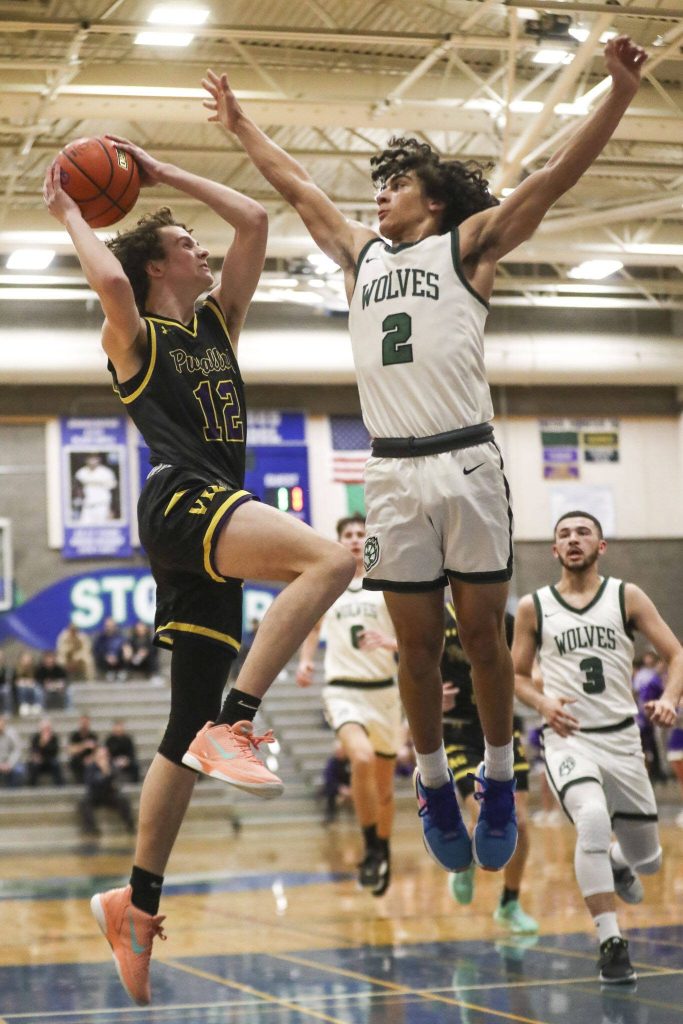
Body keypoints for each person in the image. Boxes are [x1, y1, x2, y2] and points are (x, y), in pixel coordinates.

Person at [205, 35, 647, 876]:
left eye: (398, 182)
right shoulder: (360, 256)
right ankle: (436, 782)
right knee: (412, 646)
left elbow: (552, 179)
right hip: (393, 470)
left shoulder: (467, 248)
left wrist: (618, 92)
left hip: (467, 461)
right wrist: (240, 126)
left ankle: (496, 775)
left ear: (435, 202)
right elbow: (296, 186)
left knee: (480, 639)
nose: (381, 193)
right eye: (379, 183)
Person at [44, 113, 353, 1008]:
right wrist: (75, 211)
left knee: (180, 730)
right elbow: (106, 273)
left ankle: (134, 903)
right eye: (185, 245)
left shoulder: (218, 325)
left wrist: (161, 172)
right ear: (154, 268)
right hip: (183, 499)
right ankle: (244, 718)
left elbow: (252, 221)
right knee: (329, 563)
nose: (202, 251)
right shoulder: (133, 337)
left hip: (208, 518)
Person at [512, 510, 683, 984]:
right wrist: (544, 703)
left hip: (623, 738)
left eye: (583, 532)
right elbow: (516, 676)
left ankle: (618, 862)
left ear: (600, 546)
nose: (573, 540)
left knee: (648, 859)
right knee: (590, 819)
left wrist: (670, 698)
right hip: (570, 737)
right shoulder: (534, 606)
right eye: (563, 534)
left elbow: (676, 653)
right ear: (553, 549)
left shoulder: (626, 596)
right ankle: (611, 942)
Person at [297, 514, 400, 896]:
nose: (355, 540)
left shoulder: (387, 587)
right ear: (339, 542)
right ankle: (371, 846)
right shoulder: (330, 587)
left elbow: (415, 638)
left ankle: (382, 849)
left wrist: (390, 644)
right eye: (348, 535)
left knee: (385, 790)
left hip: (385, 692)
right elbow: (313, 627)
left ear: (369, 542)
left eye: (361, 535)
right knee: (360, 759)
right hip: (342, 689)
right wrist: (307, 660)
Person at [441, 603, 537, 933]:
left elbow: (528, 671)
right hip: (458, 731)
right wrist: (433, 694)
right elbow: (412, 671)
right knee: (485, 812)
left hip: (501, 729)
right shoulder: (434, 619)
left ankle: (510, 903)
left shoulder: (504, 621)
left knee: (520, 823)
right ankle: (466, 865)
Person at [78, 744, 135, 837]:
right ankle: (91, 829)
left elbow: (117, 782)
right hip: (95, 795)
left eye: (104, 755)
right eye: (100, 755)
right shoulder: (91, 767)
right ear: (95, 756)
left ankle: (130, 826)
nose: (103, 758)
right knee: (83, 803)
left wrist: (106, 775)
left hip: (109, 795)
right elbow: (90, 784)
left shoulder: (112, 765)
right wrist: (105, 776)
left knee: (124, 800)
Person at [73, 453, 118, 523]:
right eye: (90, 458)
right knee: (84, 528)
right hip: (87, 506)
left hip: (102, 505)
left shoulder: (106, 472)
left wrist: (112, 509)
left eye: (94, 458)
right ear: (86, 460)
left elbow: (114, 491)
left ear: (99, 459)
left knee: (103, 528)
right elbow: (76, 489)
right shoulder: (81, 472)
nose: (92, 461)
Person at [27, 718, 64, 786]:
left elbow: (55, 752)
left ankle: (60, 785)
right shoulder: (35, 738)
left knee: (55, 764)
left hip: (49, 761)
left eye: (47, 728)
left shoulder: (54, 738)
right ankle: (31, 786)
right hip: (39, 762)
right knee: (33, 765)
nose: (46, 731)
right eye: (44, 729)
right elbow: (33, 751)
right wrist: (42, 743)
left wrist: (47, 743)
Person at [105, 719, 140, 783]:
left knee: (136, 765)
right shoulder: (109, 740)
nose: (119, 730)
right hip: (113, 761)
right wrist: (115, 761)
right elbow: (107, 754)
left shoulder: (128, 739)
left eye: (120, 727)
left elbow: (132, 753)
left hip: (126, 761)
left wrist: (126, 761)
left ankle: (134, 782)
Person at [67, 713, 98, 783]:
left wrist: (91, 758)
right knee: (74, 761)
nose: (84, 724)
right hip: (78, 759)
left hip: (90, 759)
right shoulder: (75, 736)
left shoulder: (93, 736)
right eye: (83, 722)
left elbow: (97, 751)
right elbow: (70, 750)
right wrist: (84, 745)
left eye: (86, 722)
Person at [12, 650, 42, 717]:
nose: (27, 661)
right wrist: (24, 682)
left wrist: (29, 682)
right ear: (21, 660)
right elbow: (15, 681)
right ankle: (24, 705)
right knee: (22, 688)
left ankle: (36, 706)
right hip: (20, 688)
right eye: (25, 659)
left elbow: (36, 680)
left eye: (28, 659)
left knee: (37, 688)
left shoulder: (35, 669)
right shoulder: (16, 669)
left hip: (32, 687)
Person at [0, 714, 23, 787]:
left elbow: (17, 750)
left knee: (19, 771)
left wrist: (9, 764)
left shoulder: (11, 733)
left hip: (10, 762)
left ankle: (14, 793)